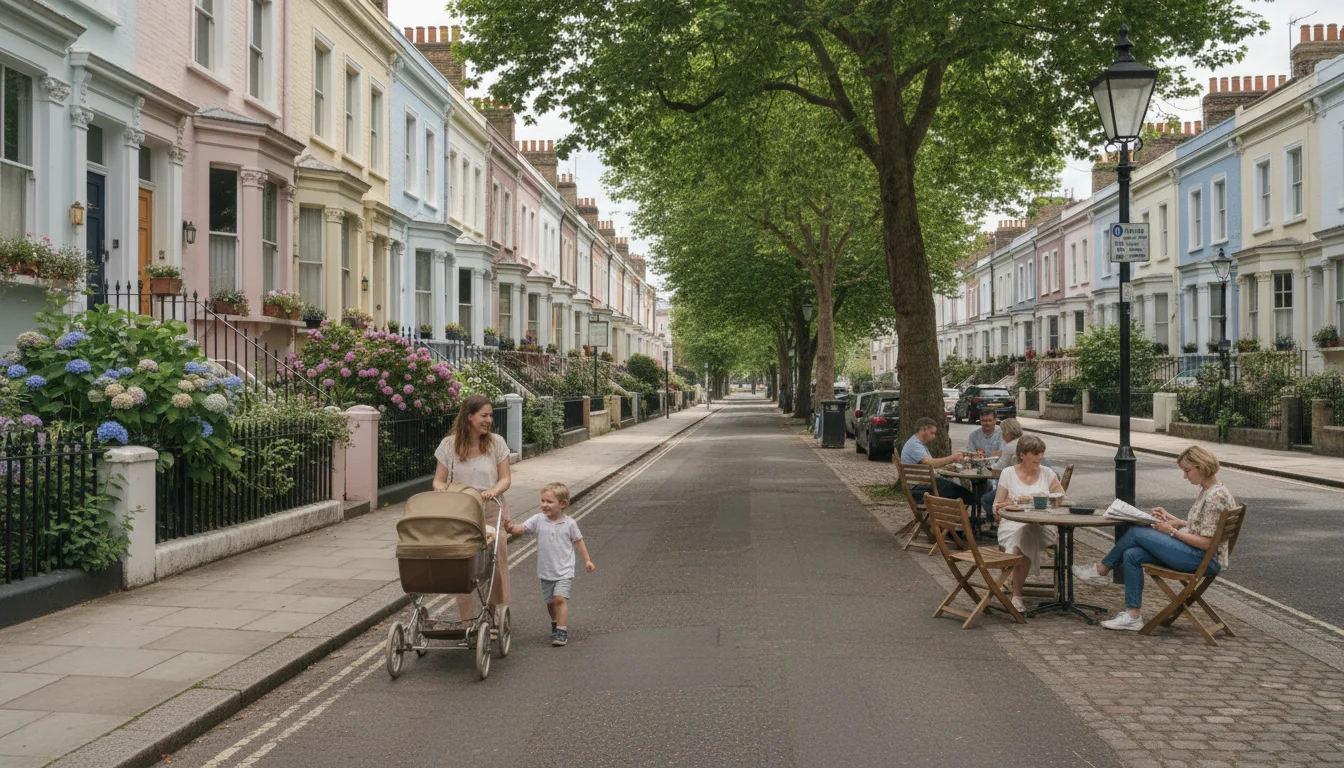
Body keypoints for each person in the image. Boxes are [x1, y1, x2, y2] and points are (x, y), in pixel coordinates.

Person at [1073, 445, 1235, 632]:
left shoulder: (1214, 497)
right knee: (1132, 554)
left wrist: (1171, 532)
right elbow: (1204, 527)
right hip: (1198, 555)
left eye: (1187, 470)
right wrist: (1175, 521)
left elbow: (1207, 542)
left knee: (1136, 532)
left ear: (1201, 467)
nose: (1185, 476)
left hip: (1202, 560)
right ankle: (1132, 616)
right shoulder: (1211, 490)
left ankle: (1101, 570)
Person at [433, 395, 512, 641]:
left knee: (494, 560)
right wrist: (448, 490)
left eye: (491, 415)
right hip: (461, 512)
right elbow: (437, 481)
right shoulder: (448, 445)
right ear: (469, 417)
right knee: (463, 564)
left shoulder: (497, 443)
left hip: (490, 508)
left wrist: (493, 491)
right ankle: (467, 622)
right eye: (484, 415)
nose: (489, 420)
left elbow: (505, 479)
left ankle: (492, 614)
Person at [504, 482, 595, 647]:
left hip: (564, 570)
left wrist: (587, 560)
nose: (544, 505)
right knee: (550, 602)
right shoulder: (538, 519)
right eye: (543, 501)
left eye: (549, 502)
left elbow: (578, 541)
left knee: (559, 599)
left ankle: (561, 631)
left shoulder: (569, 524)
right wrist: (510, 528)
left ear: (562, 504)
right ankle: (555, 621)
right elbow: (520, 529)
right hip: (546, 571)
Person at [991, 435, 1065, 612]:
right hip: (1012, 524)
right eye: (1035, 453)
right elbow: (996, 508)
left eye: (1041, 453)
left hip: (1043, 526)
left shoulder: (1048, 473)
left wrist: (1048, 498)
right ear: (1022, 455)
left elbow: (1062, 500)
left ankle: (1016, 594)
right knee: (1023, 536)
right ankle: (1016, 594)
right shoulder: (1008, 473)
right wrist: (1008, 504)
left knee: (1026, 534)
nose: (1040, 457)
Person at [899, 417, 974, 505]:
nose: (934, 437)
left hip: (925, 484)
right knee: (966, 495)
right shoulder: (914, 445)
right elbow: (929, 462)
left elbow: (930, 464)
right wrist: (952, 458)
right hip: (921, 488)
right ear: (922, 429)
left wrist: (949, 463)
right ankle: (968, 511)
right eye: (932, 433)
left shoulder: (917, 444)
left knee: (960, 488)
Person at [981, 418, 1025, 512]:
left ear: (1006, 432)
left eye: (1002, 431)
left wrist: (986, 465)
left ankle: (999, 518)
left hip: (1015, 487)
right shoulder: (1026, 441)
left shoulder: (1011, 446)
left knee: (986, 499)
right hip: (1028, 482)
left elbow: (998, 469)